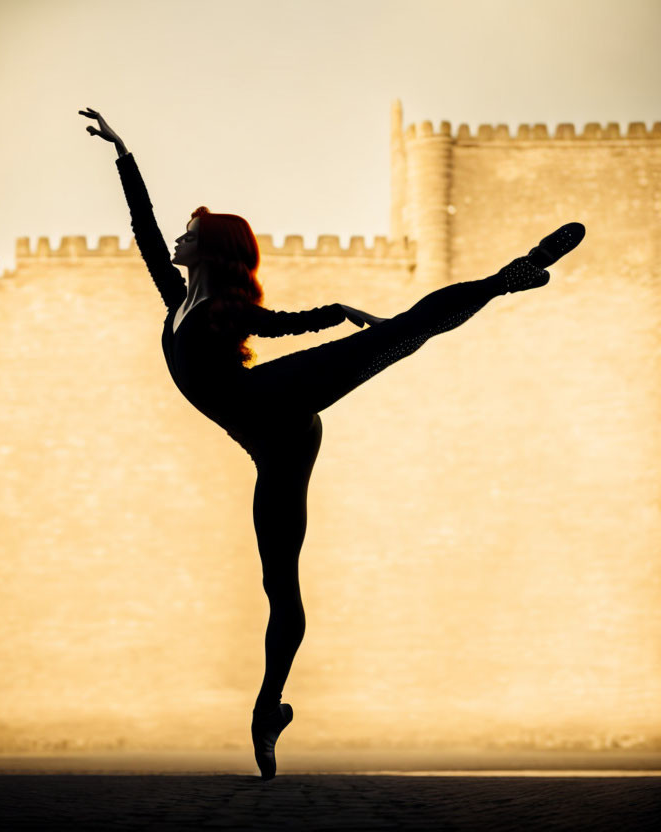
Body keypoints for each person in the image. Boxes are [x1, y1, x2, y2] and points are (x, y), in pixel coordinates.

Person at [79, 107, 585, 780]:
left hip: (280, 401)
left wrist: (339, 315)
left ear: (210, 250)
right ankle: (269, 712)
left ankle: (507, 277)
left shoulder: (226, 309)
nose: (174, 238)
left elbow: (283, 323)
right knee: (279, 587)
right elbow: (144, 227)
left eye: (188, 234)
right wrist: (123, 153)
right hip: (271, 444)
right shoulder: (175, 298)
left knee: (397, 336)